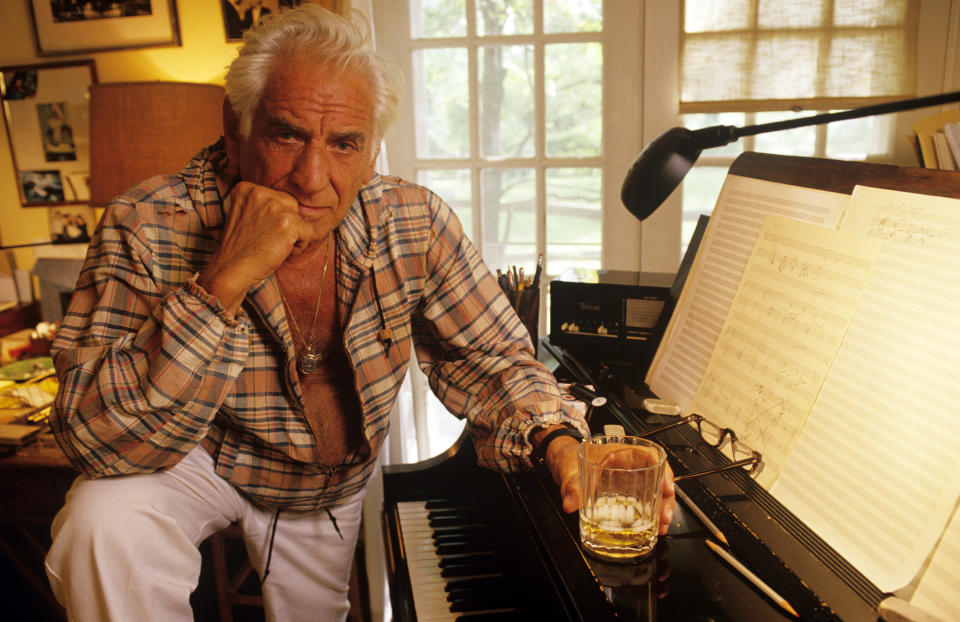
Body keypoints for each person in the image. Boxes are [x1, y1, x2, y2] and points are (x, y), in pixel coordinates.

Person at [44, 6, 675, 621]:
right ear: (235, 126)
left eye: (345, 143)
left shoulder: (413, 221)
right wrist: (223, 280)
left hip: (329, 484)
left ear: (373, 151)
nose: (311, 178)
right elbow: (90, 437)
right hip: (199, 455)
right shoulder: (147, 222)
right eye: (286, 134)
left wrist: (558, 440)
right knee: (101, 524)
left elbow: (494, 359)